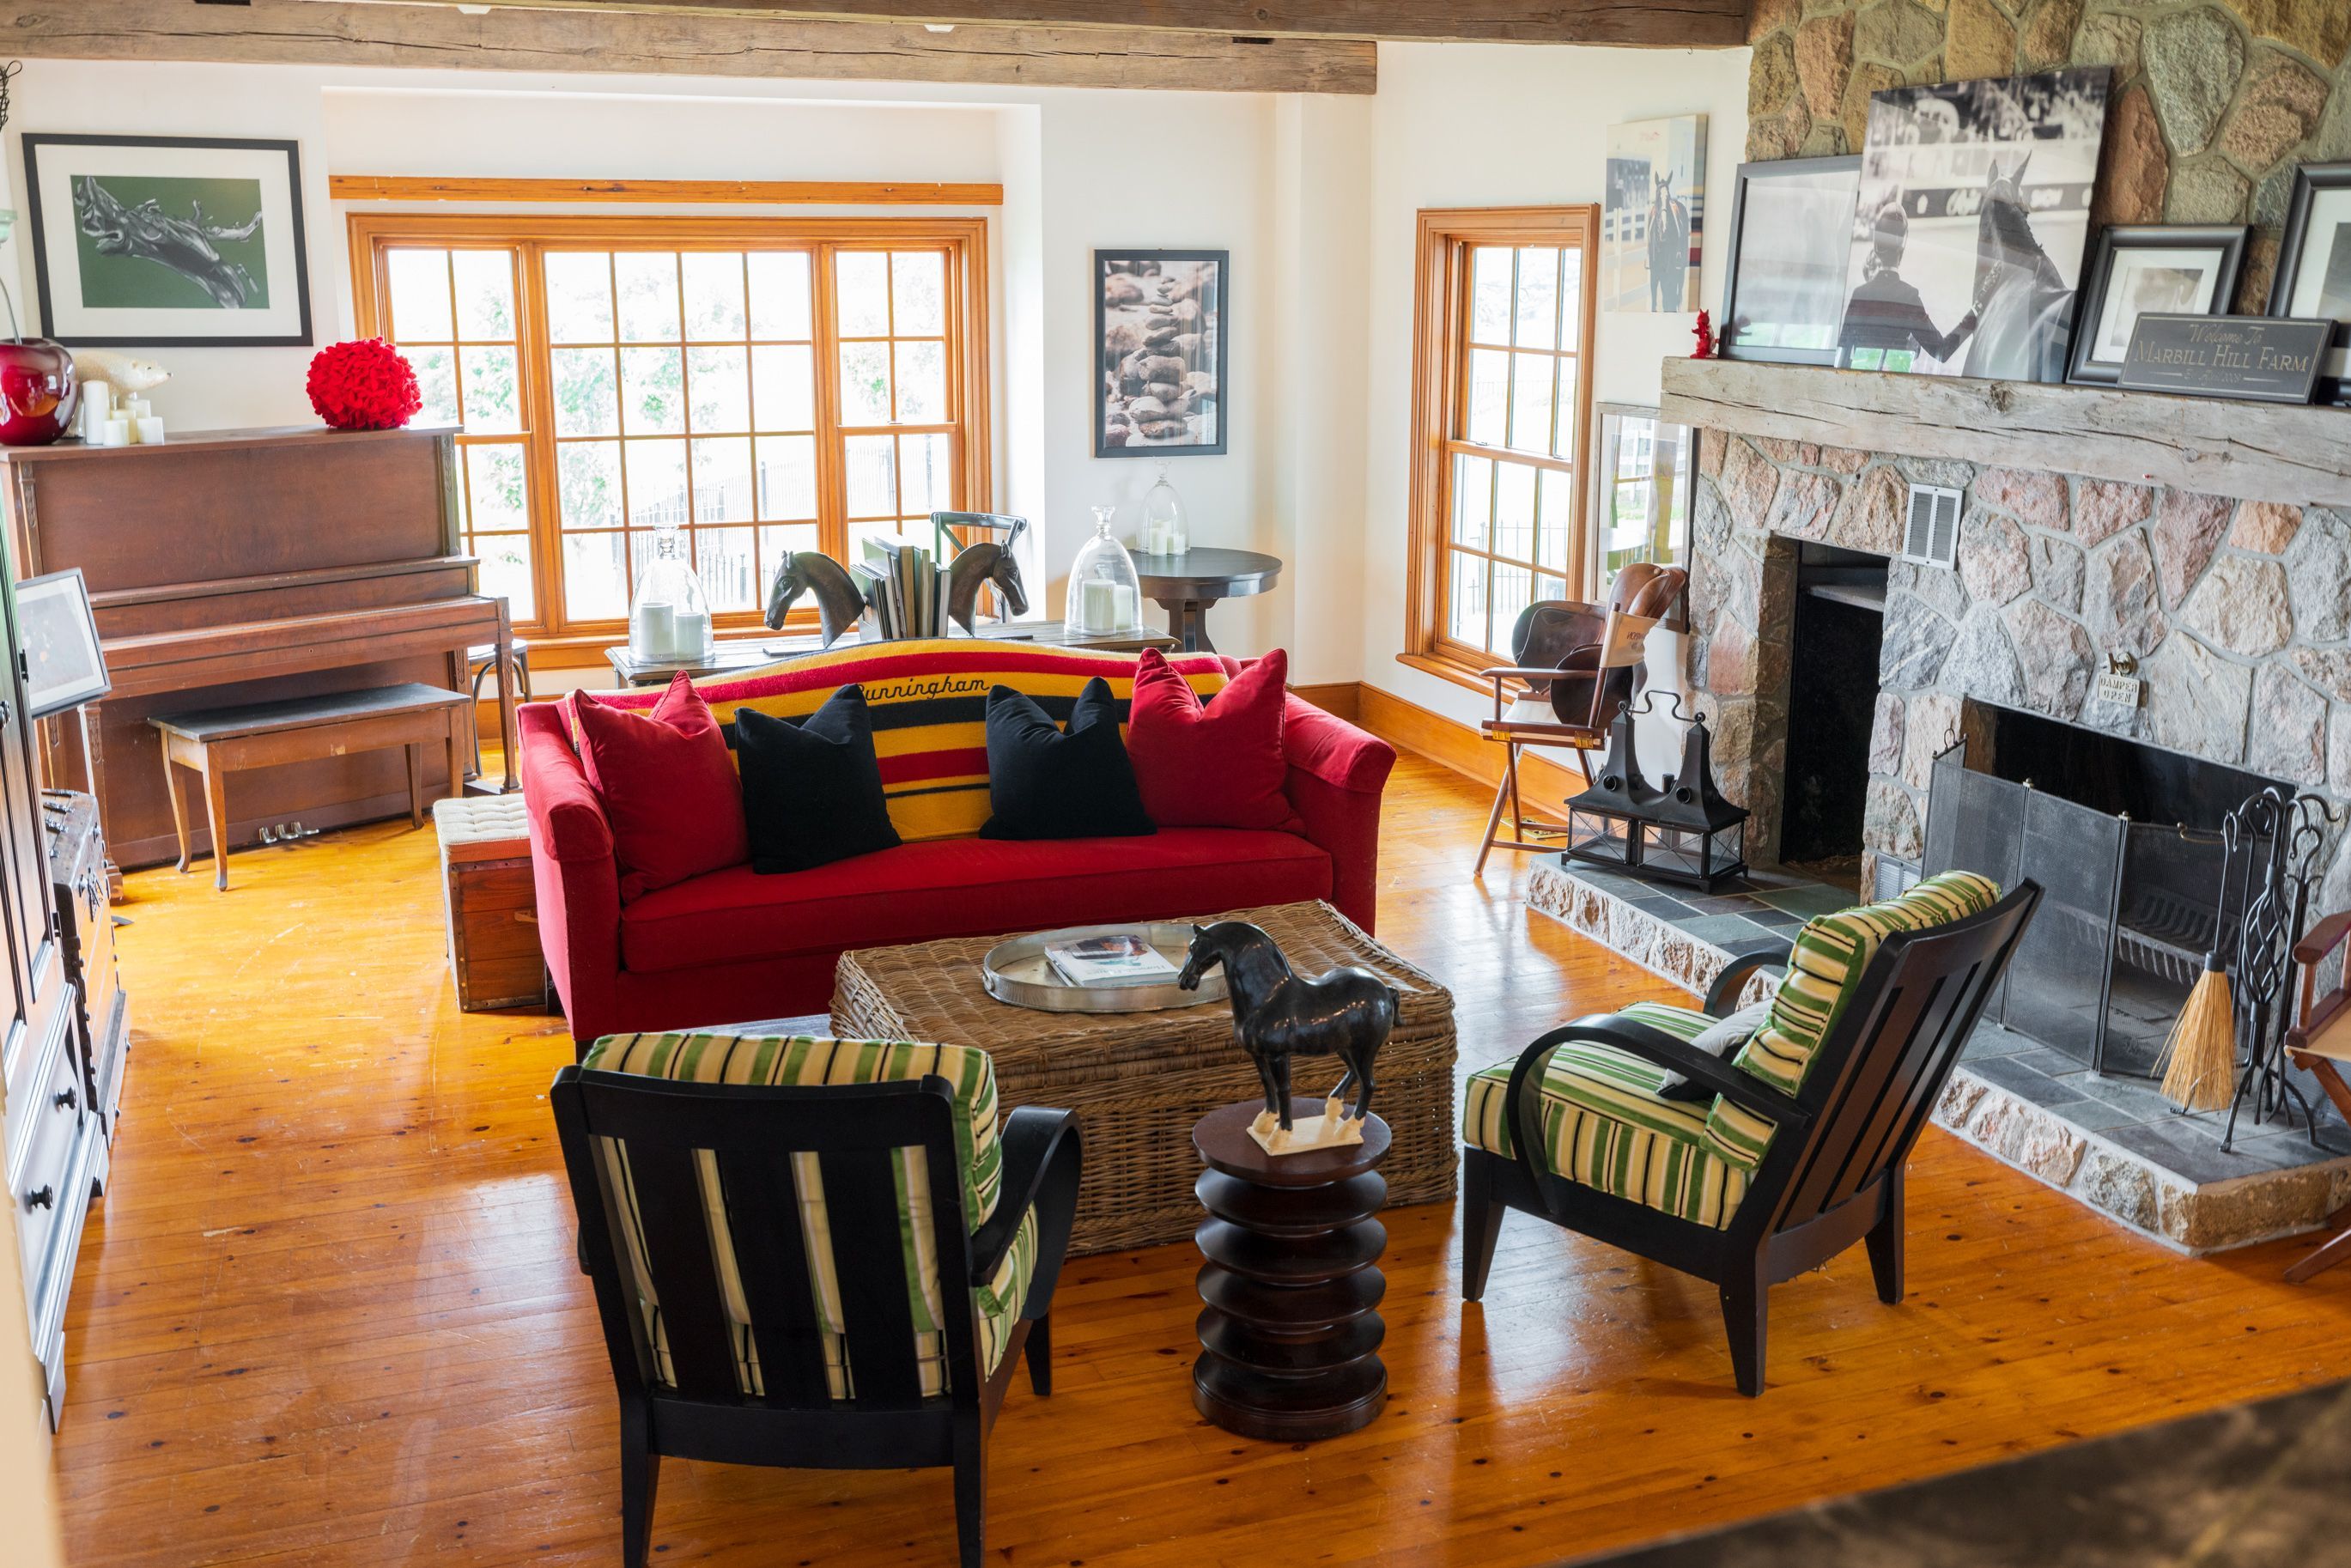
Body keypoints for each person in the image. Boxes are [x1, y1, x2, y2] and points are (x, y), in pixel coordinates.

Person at [1837, 202, 1978, 369]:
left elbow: (1843, 353)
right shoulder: (1908, 296)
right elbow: (1941, 351)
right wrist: (1973, 316)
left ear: (1876, 244)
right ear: (1902, 247)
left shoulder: (1859, 294)